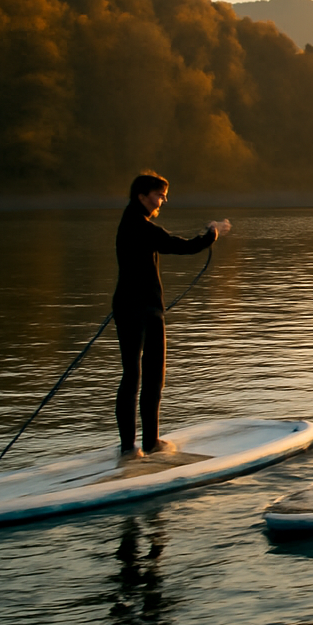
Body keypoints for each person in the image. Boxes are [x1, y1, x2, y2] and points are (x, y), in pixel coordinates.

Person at [112, 172, 230, 458]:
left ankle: (141, 445)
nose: (163, 199)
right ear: (142, 196)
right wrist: (212, 233)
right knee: (141, 377)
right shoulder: (138, 225)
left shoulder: (134, 223)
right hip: (140, 310)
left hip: (138, 308)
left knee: (144, 376)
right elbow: (184, 246)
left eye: (164, 194)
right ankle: (137, 447)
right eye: (159, 194)